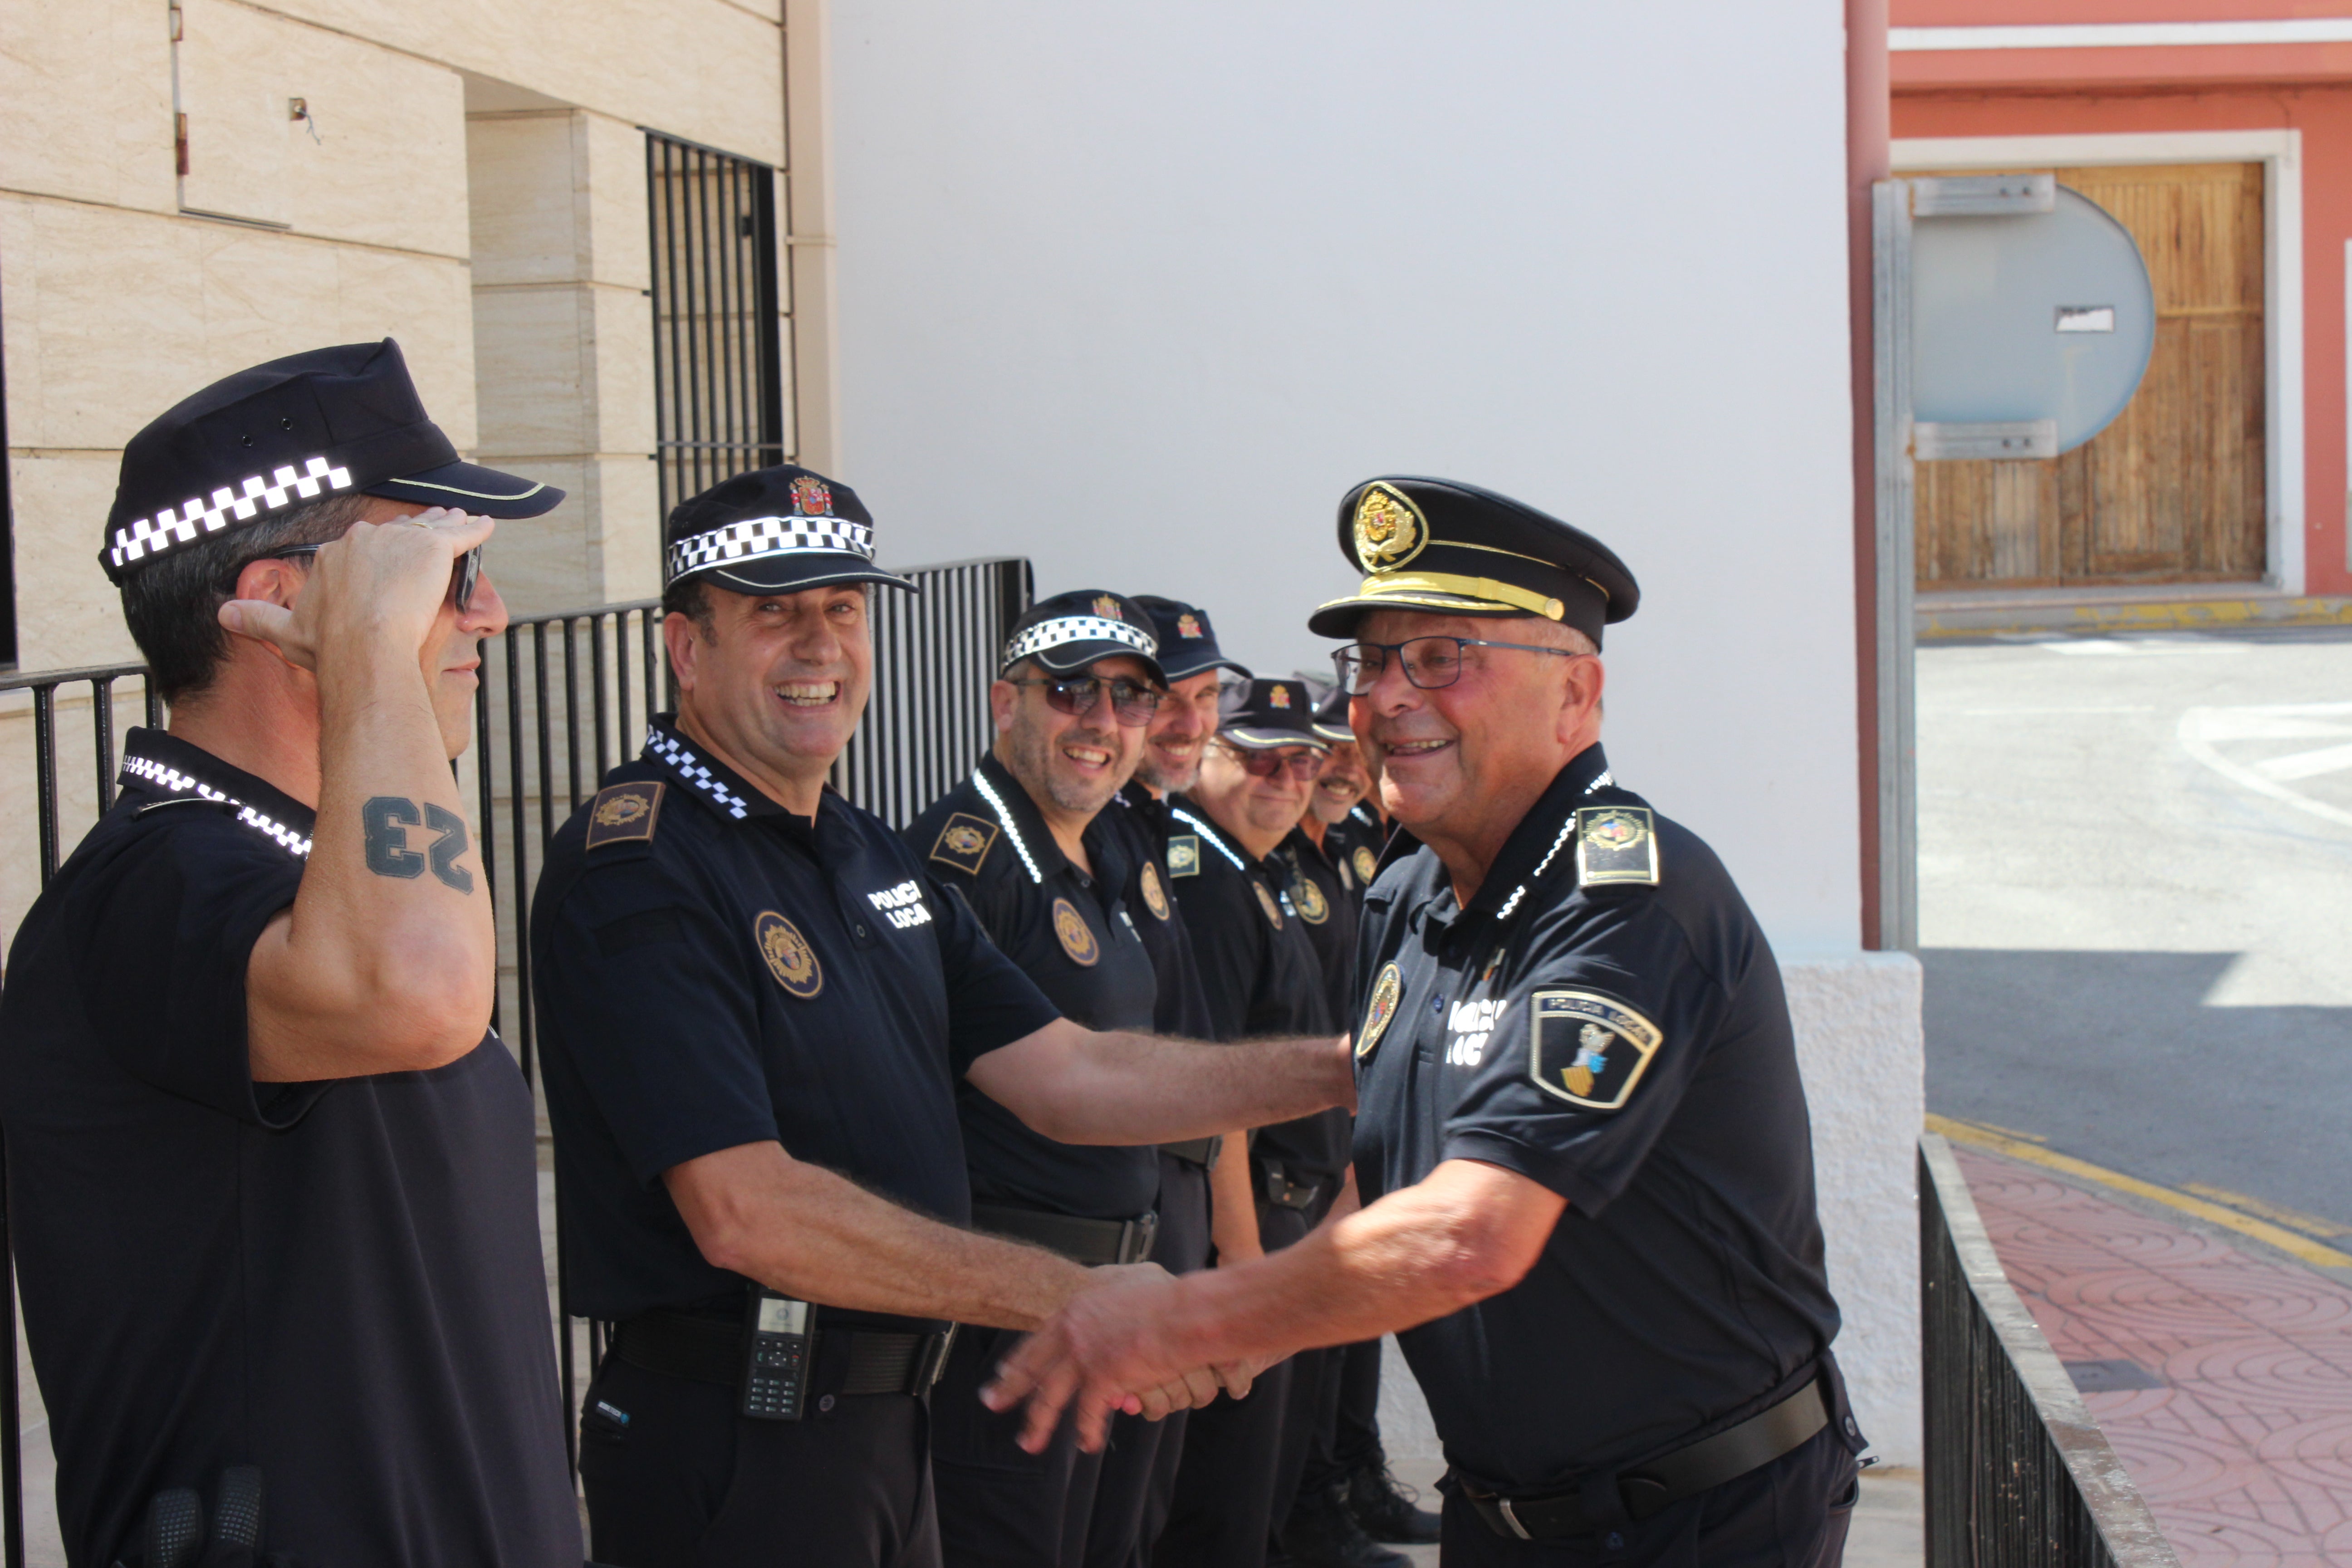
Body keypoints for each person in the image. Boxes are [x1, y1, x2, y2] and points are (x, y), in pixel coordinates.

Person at [988, 476, 1866, 1568]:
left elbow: (1469, 1233)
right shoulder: (1413, 896)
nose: (1389, 697)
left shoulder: (1626, 899)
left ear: (1576, 696)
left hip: (1694, 1519)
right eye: (1374, 663)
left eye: (1443, 658)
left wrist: (1191, 1320)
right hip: (1505, 1512)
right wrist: (1256, 1327)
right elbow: (1383, 1159)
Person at [528, 466, 1354, 1568]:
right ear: (689, 647)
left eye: (843, 609)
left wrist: (1361, 1066)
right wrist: (1076, 1301)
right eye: (774, 611)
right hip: (739, 1436)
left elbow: (1071, 1074)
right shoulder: (637, 865)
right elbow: (747, 1213)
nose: (821, 645)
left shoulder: (861, 849)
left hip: (886, 1427)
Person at [0, 340, 582, 1567]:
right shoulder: (154, 884)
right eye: (438, 574)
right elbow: (418, 992)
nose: (491, 612)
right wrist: (372, 647)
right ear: (285, 610)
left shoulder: (305, 876)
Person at [902, 588, 1177, 1567]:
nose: (1102, 722)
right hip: (1007, 1313)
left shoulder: (1103, 848)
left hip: (1107, 1292)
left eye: (1131, 698)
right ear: (1003, 703)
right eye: (1071, 691)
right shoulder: (962, 861)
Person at [1154, 677, 1362, 1568]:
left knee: (1270, 1490)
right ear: (1207, 756)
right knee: (1228, 1501)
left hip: (1300, 1211)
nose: (1283, 779)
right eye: (1256, 759)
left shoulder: (1257, 867)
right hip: (1258, 1220)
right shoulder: (1206, 879)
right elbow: (1219, 1091)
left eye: (1300, 762)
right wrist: (1244, 1263)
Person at [1280, 691, 1441, 1558]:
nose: (1335, 766)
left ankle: (1353, 1480)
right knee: (1304, 1362)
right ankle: (1315, 1512)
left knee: (1350, 1345)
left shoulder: (1354, 853)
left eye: (1338, 750)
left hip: (1342, 1140)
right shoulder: (1276, 863)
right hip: (1290, 1160)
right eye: (1318, 752)